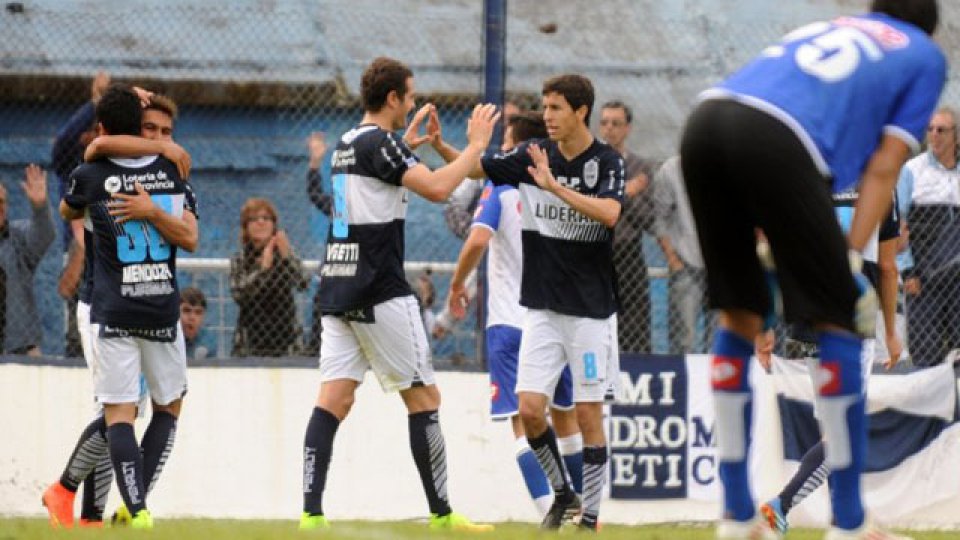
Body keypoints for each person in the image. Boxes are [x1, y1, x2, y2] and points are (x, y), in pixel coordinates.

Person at [678, 1, 944, 539]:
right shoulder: (922, 55)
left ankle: (735, 518)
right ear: (928, 23)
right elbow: (886, 166)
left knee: (740, 315)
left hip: (705, 124)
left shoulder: (832, 26)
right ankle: (848, 523)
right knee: (842, 315)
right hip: (779, 141)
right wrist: (846, 255)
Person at [299, 56, 499, 532]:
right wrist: (475, 146)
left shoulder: (348, 142)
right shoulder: (380, 143)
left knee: (333, 400)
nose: (410, 103)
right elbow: (436, 187)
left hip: (337, 287)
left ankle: (310, 514)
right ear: (392, 98)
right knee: (424, 398)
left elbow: (377, 181)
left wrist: (406, 144)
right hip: (379, 288)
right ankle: (443, 514)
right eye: (407, 96)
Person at [433, 74, 624, 531]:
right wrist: (458, 147)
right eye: (546, 107)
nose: (548, 117)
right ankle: (562, 494)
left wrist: (554, 187)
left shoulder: (606, 161)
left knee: (586, 413)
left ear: (581, 111)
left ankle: (591, 517)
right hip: (540, 309)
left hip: (591, 313)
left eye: (556, 108)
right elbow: (480, 168)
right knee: (531, 409)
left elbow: (610, 214)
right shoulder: (532, 155)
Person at [43, 90, 192, 529]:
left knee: (126, 411)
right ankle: (77, 498)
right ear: (133, 128)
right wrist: (161, 148)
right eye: (151, 130)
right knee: (118, 410)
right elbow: (97, 146)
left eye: (168, 132)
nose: (161, 138)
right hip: (100, 303)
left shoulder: (160, 169)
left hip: (138, 302)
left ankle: (93, 506)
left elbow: (188, 233)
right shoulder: (128, 164)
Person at [444, 111, 583, 517]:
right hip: (556, 321)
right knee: (566, 417)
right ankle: (586, 513)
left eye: (505, 141)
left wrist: (456, 285)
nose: (500, 149)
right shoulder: (558, 190)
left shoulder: (501, 189)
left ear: (516, 147)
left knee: (523, 424)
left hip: (510, 324)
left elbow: (476, 241)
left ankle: (550, 510)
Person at [758, 191, 903, 536]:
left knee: (834, 431)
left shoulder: (813, 167)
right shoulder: (880, 181)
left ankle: (846, 524)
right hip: (852, 318)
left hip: (809, 319)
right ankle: (782, 504)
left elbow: (774, 247)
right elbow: (887, 266)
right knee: (843, 434)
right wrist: (892, 332)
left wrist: (767, 322)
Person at [896, 107, 960, 366]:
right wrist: (907, 271)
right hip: (922, 277)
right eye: (930, 129)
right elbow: (897, 224)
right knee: (926, 354)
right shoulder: (912, 170)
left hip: (956, 277)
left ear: (956, 136)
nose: (934, 135)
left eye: (941, 130)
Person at [53, 71, 110, 358]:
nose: (95, 139)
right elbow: (63, 141)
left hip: (111, 252)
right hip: (78, 251)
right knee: (79, 322)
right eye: (91, 132)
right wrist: (95, 102)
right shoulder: (70, 167)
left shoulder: (115, 168)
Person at [598, 100, 653, 354]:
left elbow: (647, 218)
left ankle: (635, 363)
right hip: (596, 247)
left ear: (627, 128)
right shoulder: (591, 162)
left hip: (628, 249)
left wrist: (623, 198)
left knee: (635, 316)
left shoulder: (640, 167)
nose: (609, 129)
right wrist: (626, 190)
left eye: (616, 124)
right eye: (604, 123)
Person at [230, 197, 308, 357]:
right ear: (246, 227)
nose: (261, 222)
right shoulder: (241, 258)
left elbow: (303, 283)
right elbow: (239, 294)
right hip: (251, 340)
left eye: (266, 218)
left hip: (286, 340)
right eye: (254, 219)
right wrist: (263, 270)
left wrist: (287, 256)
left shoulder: (284, 252)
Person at [653, 156, 713, 354]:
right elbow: (660, 218)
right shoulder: (670, 170)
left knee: (718, 342)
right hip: (686, 265)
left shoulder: (731, 165)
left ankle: (715, 385)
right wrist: (674, 260)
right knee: (683, 341)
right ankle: (683, 384)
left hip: (723, 270)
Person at [0, 164, 55, 355]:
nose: (0, 208)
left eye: (2, 202)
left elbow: (44, 236)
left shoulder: (17, 236)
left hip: (21, 347)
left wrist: (40, 207)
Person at [180, 287, 216, 360]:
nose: (192, 317)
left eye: (198, 312)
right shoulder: (166, 339)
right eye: (186, 310)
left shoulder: (208, 342)